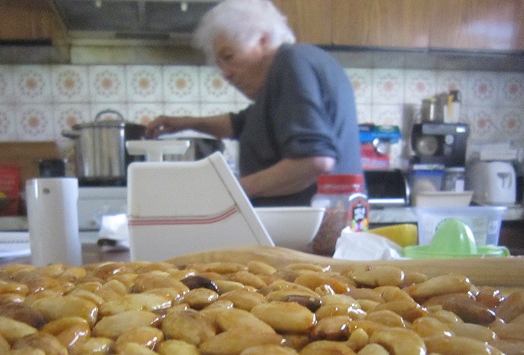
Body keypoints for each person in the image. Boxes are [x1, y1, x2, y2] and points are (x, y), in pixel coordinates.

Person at [145, 0, 362, 207]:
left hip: (308, 238)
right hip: (316, 233)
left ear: (263, 39)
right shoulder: (290, 73)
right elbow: (241, 124)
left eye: (228, 57)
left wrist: (232, 190)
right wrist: (185, 123)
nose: (226, 74)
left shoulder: (290, 63)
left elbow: (313, 160)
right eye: (220, 65)